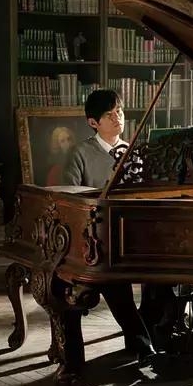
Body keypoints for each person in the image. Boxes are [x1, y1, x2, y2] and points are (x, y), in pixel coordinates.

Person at [63, 89, 155, 365]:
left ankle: (153, 338)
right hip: (93, 240)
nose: (118, 118)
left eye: (120, 112)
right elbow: (69, 201)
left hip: (129, 236)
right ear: (93, 122)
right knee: (116, 283)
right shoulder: (80, 153)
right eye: (109, 114)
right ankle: (143, 346)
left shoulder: (132, 152)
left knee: (163, 278)